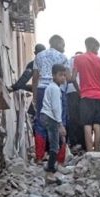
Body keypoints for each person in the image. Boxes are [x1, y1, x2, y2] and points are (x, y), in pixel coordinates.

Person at [32, 35, 69, 165]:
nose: (64, 48)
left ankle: (39, 156)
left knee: (41, 122)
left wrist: (35, 96)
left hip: (42, 89)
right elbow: (68, 77)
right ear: (57, 43)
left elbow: (35, 77)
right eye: (63, 44)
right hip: (57, 90)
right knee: (60, 121)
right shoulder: (63, 57)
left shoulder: (39, 56)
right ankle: (60, 160)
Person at [72, 37, 100, 152]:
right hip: (98, 96)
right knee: (98, 124)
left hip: (85, 96)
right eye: (97, 48)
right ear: (94, 46)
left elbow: (73, 78)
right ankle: (97, 151)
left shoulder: (78, 59)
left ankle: (89, 152)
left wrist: (80, 91)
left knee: (87, 124)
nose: (97, 51)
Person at [39, 64, 66, 182]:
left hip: (45, 116)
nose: (63, 78)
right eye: (60, 75)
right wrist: (60, 124)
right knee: (55, 145)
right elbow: (56, 107)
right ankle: (50, 173)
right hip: (51, 117)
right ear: (53, 75)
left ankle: (50, 165)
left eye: (64, 75)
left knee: (56, 142)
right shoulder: (55, 89)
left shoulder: (50, 87)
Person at [64, 52, 83, 150]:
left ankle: (73, 142)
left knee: (72, 118)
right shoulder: (83, 59)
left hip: (70, 91)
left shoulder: (69, 60)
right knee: (82, 118)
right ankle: (82, 143)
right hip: (81, 91)